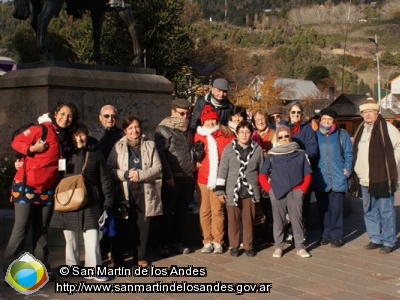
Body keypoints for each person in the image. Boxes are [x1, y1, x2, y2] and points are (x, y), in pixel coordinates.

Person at [3, 101, 79, 279]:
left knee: (41, 230)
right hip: (26, 187)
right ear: (54, 113)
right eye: (62, 114)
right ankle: (10, 271)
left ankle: (43, 270)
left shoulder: (64, 137)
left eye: (69, 116)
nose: (65, 118)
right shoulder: (41, 129)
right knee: (21, 229)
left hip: (46, 190)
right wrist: (31, 148)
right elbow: (16, 142)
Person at [49, 123, 114, 281]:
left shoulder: (95, 151)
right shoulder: (64, 152)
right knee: (70, 236)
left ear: (87, 134)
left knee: (92, 236)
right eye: (75, 135)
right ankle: (72, 267)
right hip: (67, 198)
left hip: (90, 199)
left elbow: (105, 177)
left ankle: (94, 269)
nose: (79, 138)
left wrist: (108, 200)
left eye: (82, 134)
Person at [108, 116, 163, 267]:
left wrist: (140, 175)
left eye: (137, 127)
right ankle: (117, 259)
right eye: (130, 128)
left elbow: (158, 168)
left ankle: (140, 257)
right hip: (124, 192)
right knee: (122, 225)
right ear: (125, 130)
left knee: (143, 226)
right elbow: (110, 169)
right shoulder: (117, 146)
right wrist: (125, 174)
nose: (134, 130)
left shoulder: (150, 145)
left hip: (145, 191)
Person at [351, 98, 400, 254]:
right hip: (364, 178)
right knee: (369, 210)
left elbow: (399, 145)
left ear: (377, 112)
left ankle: (389, 241)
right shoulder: (361, 128)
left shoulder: (386, 127)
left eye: (370, 111)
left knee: (386, 211)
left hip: (382, 177)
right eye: (364, 112)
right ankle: (375, 239)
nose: (367, 114)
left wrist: (394, 162)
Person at [259, 126, 312, 258]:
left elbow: (307, 174)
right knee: (278, 220)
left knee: (297, 220)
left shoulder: (300, 153)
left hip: (296, 191)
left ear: (290, 136)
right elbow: (262, 175)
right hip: (277, 192)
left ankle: (300, 246)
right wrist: (269, 190)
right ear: (277, 139)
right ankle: (279, 246)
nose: (284, 139)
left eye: (286, 136)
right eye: (280, 137)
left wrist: (302, 190)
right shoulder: (272, 154)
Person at [215, 120, 264, 257]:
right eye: (241, 132)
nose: (244, 135)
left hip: (250, 191)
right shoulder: (228, 149)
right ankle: (234, 246)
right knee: (233, 221)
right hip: (232, 190)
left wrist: (263, 187)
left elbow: (262, 170)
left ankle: (248, 246)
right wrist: (220, 190)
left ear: (251, 134)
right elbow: (223, 170)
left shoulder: (257, 149)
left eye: (247, 132)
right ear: (237, 133)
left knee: (249, 221)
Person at [154, 99, 194, 257]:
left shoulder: (188, 129)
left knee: (182, 213)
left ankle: (176, 242)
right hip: (172, 178)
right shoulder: (163, 129)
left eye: (187, 113)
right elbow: (161, 154)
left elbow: (190, 149)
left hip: (187, 176)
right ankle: (163, 243)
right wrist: (168, 175)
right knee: (168, 212)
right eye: (181, 113)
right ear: (173, 112)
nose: (185, 116)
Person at [194, 105, 234, 254]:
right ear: (203, 121)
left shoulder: (225, 133)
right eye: (208, 120)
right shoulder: (198, 135)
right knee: (204, 210)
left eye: (213, 119)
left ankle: (218, 241)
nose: (210, 122)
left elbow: (233, 151)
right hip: (202, 178)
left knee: (218, 210)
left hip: (219, 178)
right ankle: (207, 240)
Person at [312, 108, 353, 248]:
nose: (327, 121)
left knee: (336, 208)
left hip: (338, 176)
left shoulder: (342, 134)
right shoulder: (315, 135)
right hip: (320, 178)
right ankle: (325, 234)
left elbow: (348, 153)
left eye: (329, 119)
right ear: (320, 120)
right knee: (323, 209)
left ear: (334, 121)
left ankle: (337, 236)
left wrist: (347, 170)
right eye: (324, 119)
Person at [89, 104, 123, 260]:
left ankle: (109, 250)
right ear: (100, 117)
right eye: (107, 116)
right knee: (98, 216)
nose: (111, 119)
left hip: (116, 180)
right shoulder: (92, 133)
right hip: (97, 180)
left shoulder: (121, 133)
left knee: (113, 216)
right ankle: (99, 250)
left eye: (113, 116)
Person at [286, 101, 318, 242]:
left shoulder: (307, 129)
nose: (296, 115)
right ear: (289, 114)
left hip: (301, 170)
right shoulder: (284, 127)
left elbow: (313, 149)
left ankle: (300, 234)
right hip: (286, 171)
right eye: (293, 112)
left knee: (301, 204)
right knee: (287, 204)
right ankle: (289, 232)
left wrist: (303, 156)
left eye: (298, 112)